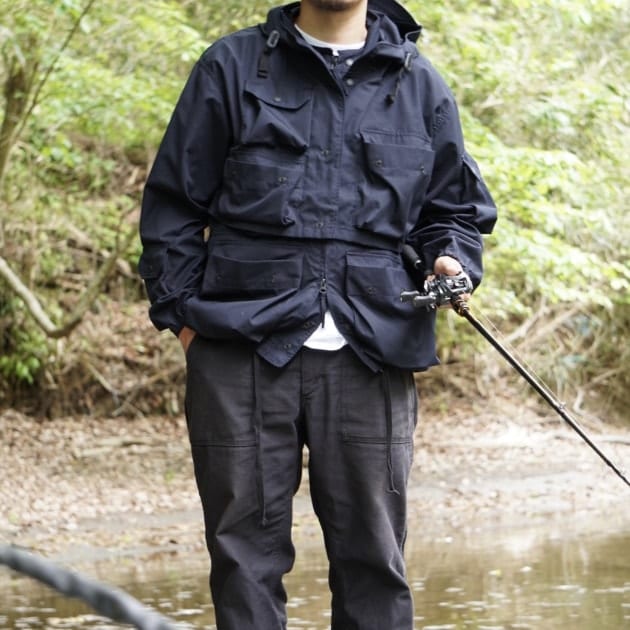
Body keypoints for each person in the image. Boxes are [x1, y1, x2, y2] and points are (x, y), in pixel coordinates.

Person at [139, 0, 497, 627]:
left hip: (372, 350)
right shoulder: (231, 66)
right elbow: (173, 207)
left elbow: (453, 214)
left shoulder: (419, 84)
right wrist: (189, 325)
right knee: (243, 566)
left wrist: (450, 259)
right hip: (238, 350)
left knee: (375, 566)